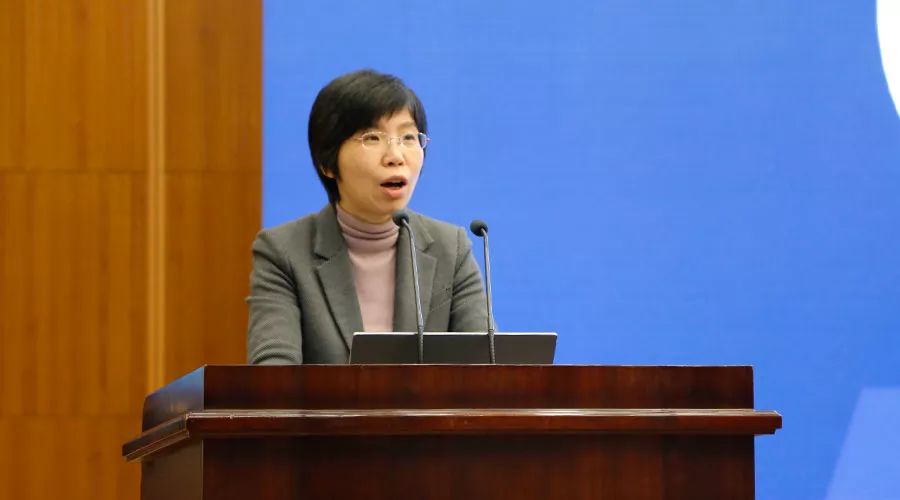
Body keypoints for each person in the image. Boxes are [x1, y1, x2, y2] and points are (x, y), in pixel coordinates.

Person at [246, 69, 489, 364]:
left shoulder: (451, 248)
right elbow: (273, 370)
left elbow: (487, 367)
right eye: (372, 138)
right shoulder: (283, 252)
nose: (395, 156)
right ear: (327, 163)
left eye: (408, 137)